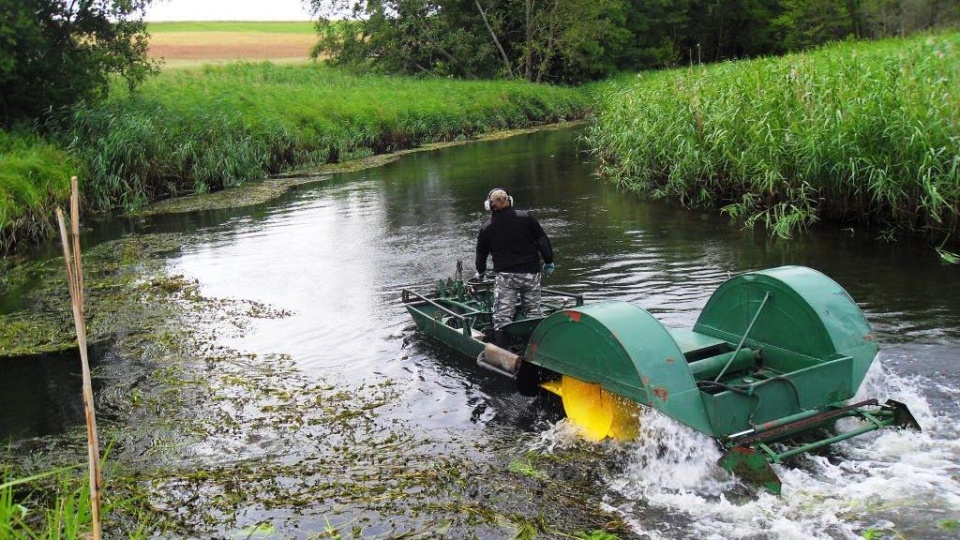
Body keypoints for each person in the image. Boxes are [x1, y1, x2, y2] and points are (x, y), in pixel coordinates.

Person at [475, 188, 555, 349]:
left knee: (502, 317)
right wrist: (548, 261)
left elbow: (481, 256)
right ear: (509, 200)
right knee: (533, 312)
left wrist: (481, 272)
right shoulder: (526, 218)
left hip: (506, 277)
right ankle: (535, 349)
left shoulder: (487, 227)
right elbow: (543, 242)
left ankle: (503, 352)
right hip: (531, 274)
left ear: (489, 206)